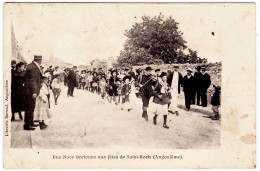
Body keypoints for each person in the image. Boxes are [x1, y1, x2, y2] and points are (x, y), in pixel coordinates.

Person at [24, 55, 43, 130]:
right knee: (30, 108)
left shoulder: (31, 66)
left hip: (28, 91)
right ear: (40, 60)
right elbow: (32, 80)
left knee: (31, 107)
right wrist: (34, 92)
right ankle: (27, 125)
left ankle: (30, 122)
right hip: (30, 92)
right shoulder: (34, 67)